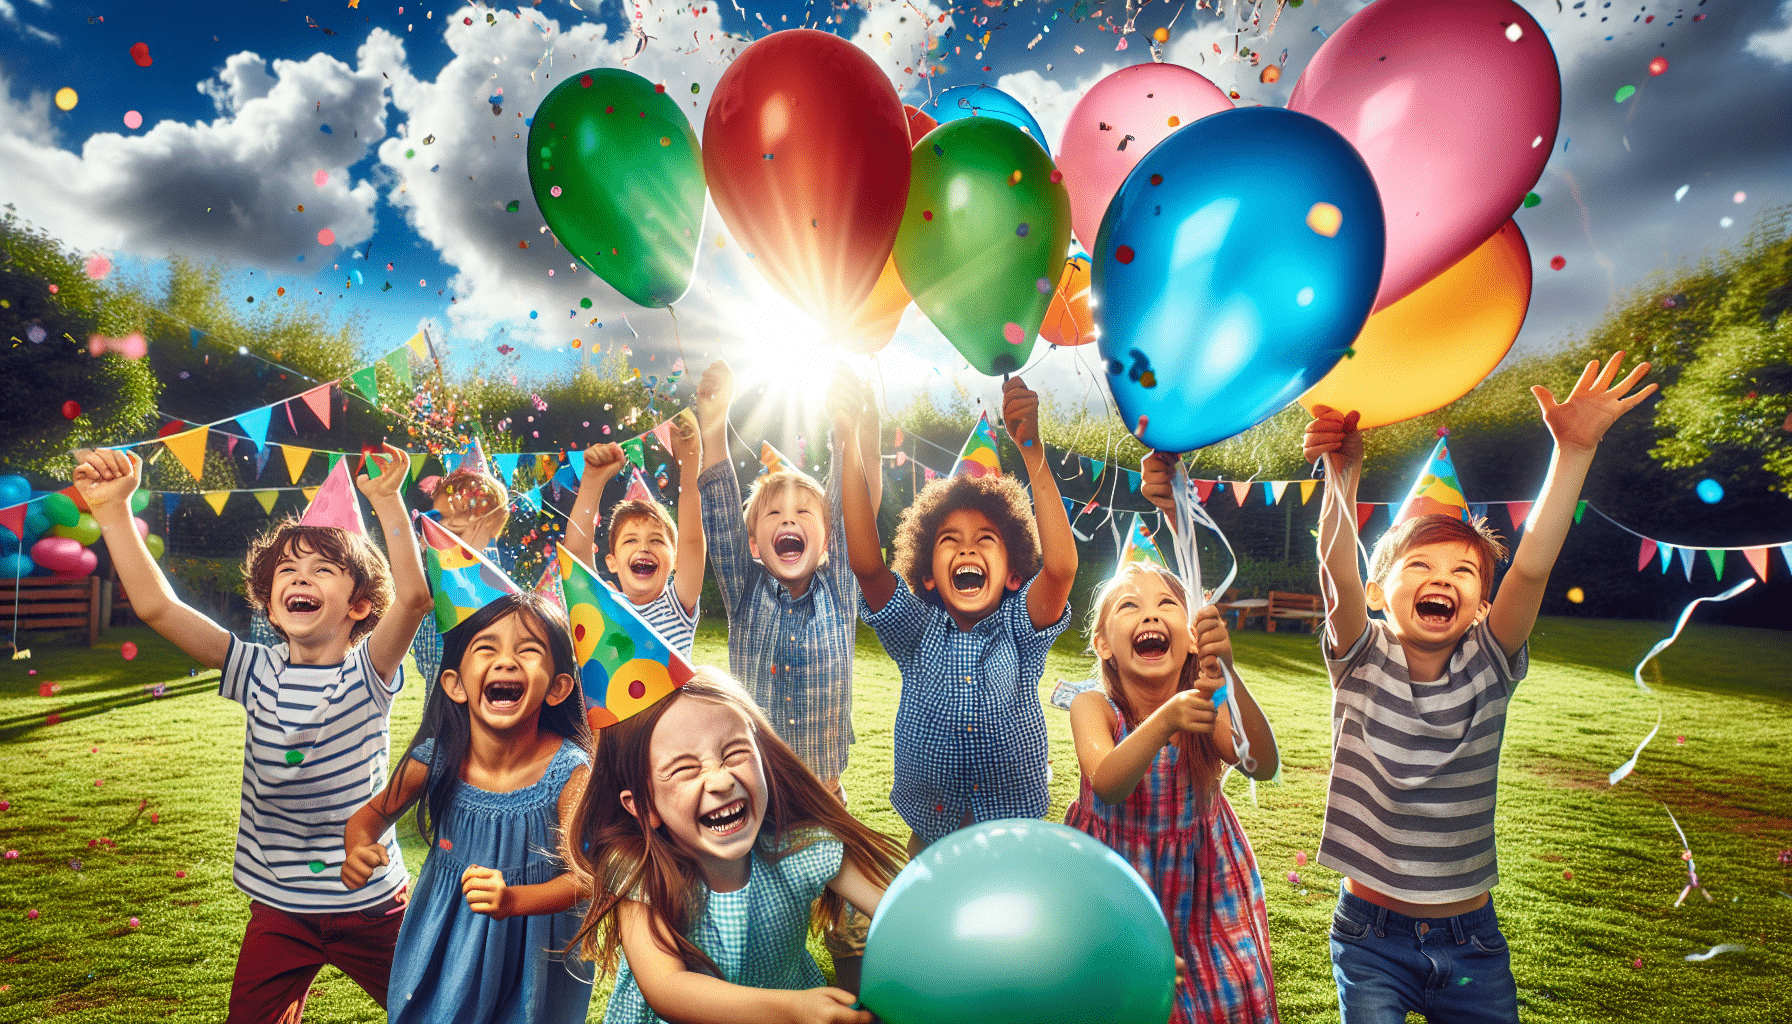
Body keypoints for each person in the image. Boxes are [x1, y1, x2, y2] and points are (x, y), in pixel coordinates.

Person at [1302, 353, 1656, 1023]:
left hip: (1472, 944)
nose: (1445, 577)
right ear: (1381, 594)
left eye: (1466, 570)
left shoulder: (1490, 660)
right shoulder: (1359, 655)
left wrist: (1573, 451)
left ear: (1484, 602)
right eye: (1422, 564)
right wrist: (1341, 475)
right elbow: (1337, 575)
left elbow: (1531, 567)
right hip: (1370, 941)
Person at [73, 444, 434, 1023]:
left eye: (323, 570)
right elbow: (157, 608)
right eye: (287, 571)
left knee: (433, 1012)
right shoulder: (252, 668)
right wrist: (114, 509)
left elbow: (415, 598)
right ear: (270, 599)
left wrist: (388, 501)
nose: (301, 577)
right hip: (279, 909)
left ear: (360, 605)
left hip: (368, 906)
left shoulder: (368, 672)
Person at [566, 669, 905, 1024]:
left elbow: (897, 909)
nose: (721, 779)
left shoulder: (799, 846)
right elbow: (666, 987)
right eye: (684, 769)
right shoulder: (638, 868)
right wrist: (792, 1008)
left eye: (734, 753)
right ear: (644, 806)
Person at [693, 360, 881, 988]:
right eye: (773, 515)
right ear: (753, 543)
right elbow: (719, 511)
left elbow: (859, 499)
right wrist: (714, 427)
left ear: (828, 539)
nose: (789, 520)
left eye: (805, 512)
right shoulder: (746, 590)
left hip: (825, 796)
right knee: (759, 929)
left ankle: (858, 995)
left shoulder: (841, 586)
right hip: (757, 803)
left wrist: (847, 434)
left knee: (855, 922)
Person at [840, 376, 1077, 854]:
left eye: (985, 539)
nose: (967, 546)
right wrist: (846, 440)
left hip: (1013, 835)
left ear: (1012, 574)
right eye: (950, 540)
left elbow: (1062, 566)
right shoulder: (916, 630)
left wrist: (1032, 452)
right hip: (929, 835)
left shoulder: (1020, 630)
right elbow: (866, 564)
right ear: (928, 576)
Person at [343, 591, 594, 1024]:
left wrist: (514, 899)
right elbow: (370, 815)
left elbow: (588, 878)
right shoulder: (438, 757)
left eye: (528, 650)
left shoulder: (570, 772)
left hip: (531, 949)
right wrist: (358, 846)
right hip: (445, 935)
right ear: (455, 684)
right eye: (487, 648)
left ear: (557, 688)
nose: (506, 661)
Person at [1066, 561, 1280, 1024]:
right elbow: (1106, 782)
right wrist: (1167, 719)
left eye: (1167, 604)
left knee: (1228, 994)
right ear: (1103, 644)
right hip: (1113, 884)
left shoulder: (1207, 704)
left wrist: (1228, 674)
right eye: (1129, 606)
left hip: (1204, 887)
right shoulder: (1092, 706)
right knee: (1123, 1005)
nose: (1150, 615)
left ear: (1188, 639)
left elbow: (1262, 765)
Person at [563, 412, 704, 656]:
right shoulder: (604, 606)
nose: (644, 547)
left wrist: (690, 468)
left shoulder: (677, 606)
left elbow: (691, 541)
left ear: (676, 560)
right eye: (630, 539)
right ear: (612, 562)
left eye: (657, 540)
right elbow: (575, 554)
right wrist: (592, 482)